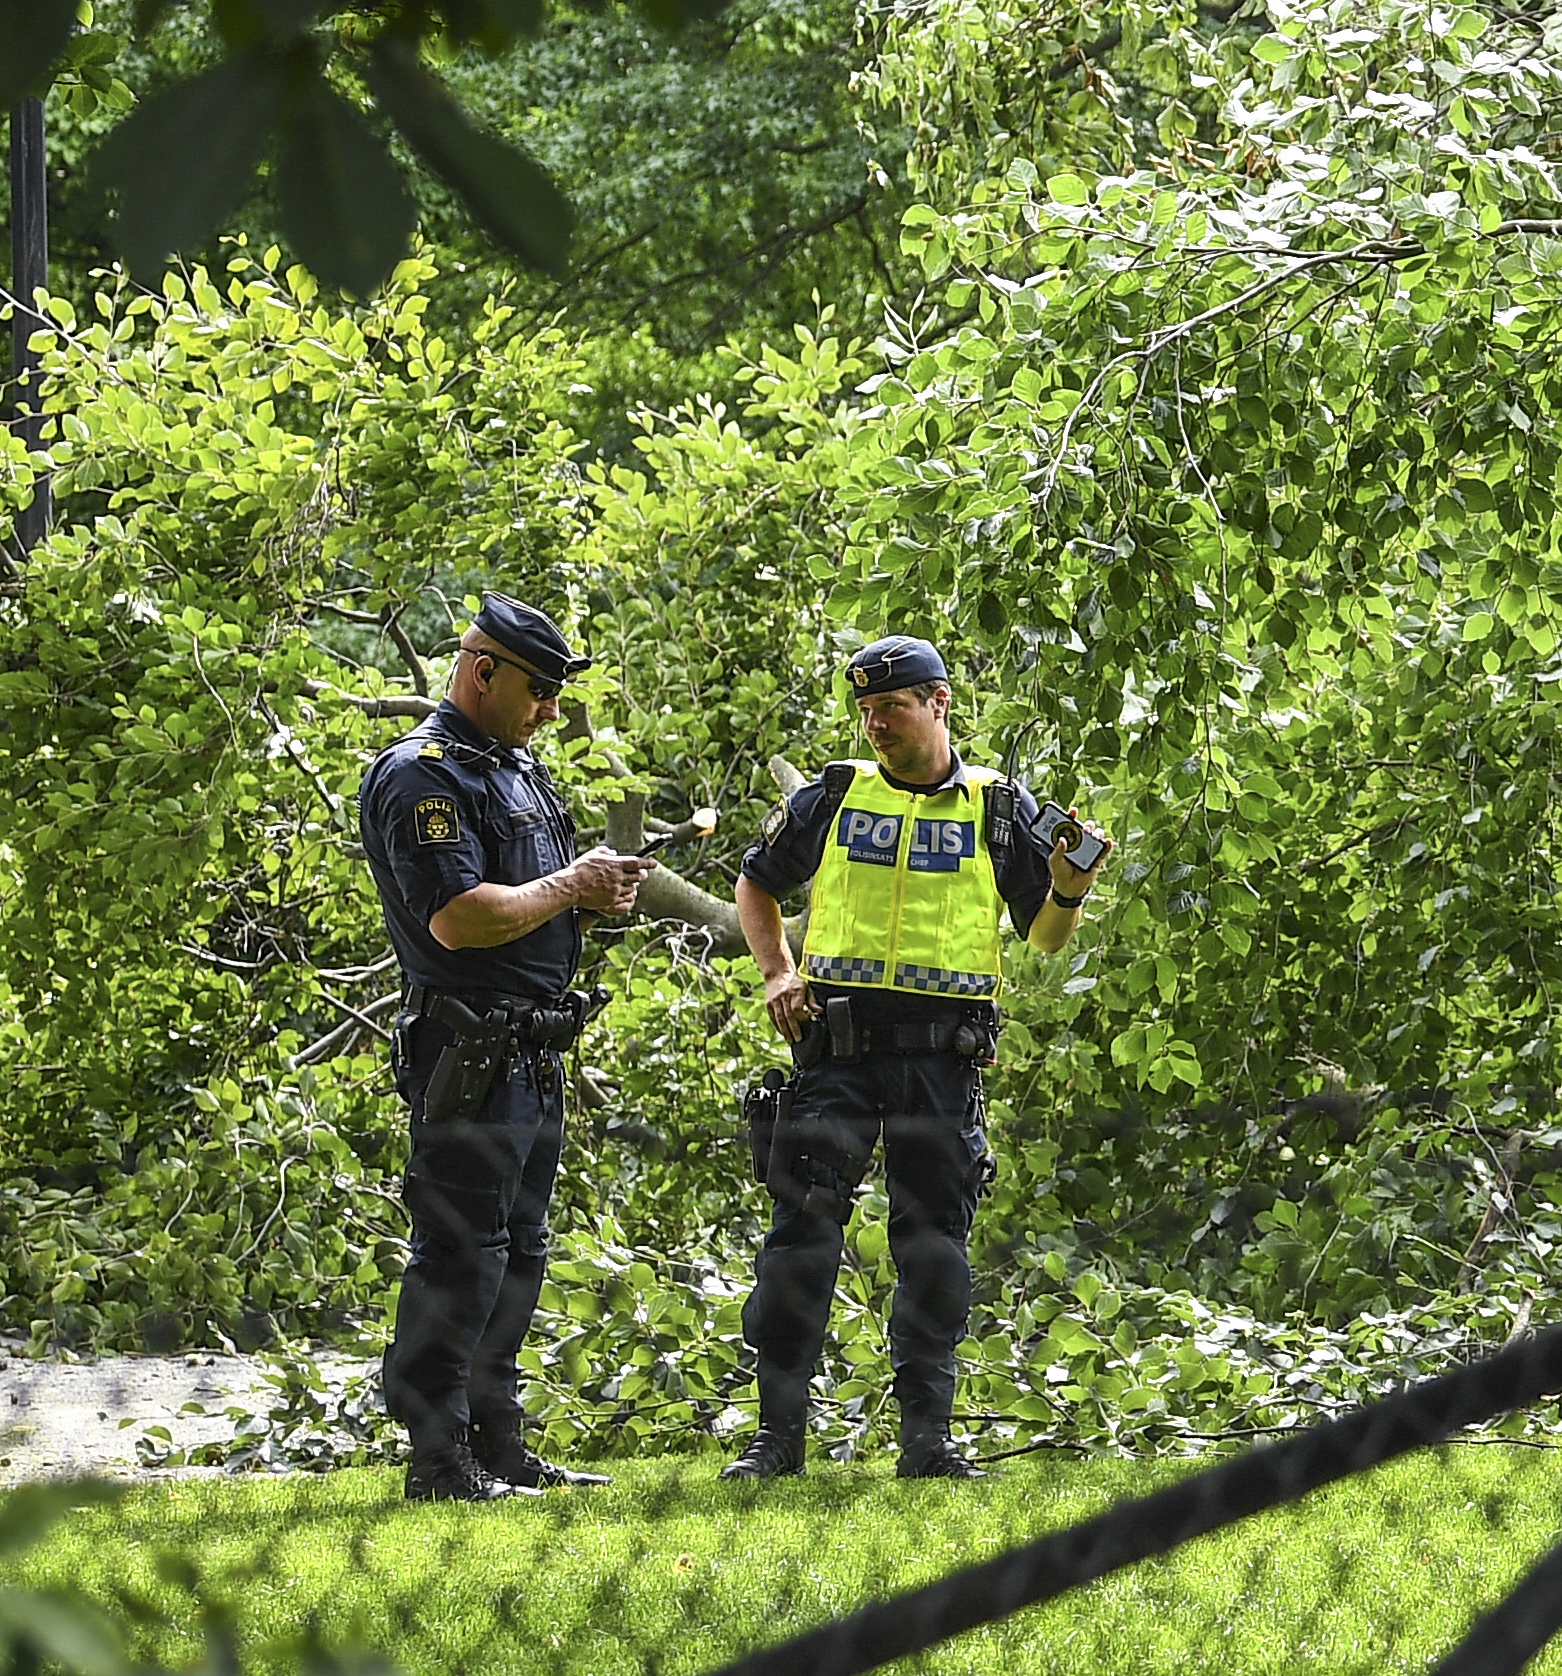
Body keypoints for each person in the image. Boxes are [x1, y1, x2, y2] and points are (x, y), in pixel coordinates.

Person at [724, 634, 1095, 1479]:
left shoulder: (998, 809)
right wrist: (778, 972)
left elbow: (1043, 935)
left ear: (939, 703)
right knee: (799, 1242)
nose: (876, 726)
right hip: (833, 1052)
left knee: (933, 1250)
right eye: (865, 712)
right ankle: (777, 1440)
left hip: (942, 1060)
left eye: (891, 708)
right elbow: (757, 883)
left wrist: (1069, 887)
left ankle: (927, 1441)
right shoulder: (833, 796)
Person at [355, 594, 649, 1502]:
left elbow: (534, 903)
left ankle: (499, 1444)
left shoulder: (513, 770)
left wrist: (595, 897)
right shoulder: (425, 775)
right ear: (482, 670)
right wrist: (573, 884)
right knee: (462, 1253)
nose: (553, 707)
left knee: (518, 1251)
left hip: (532, 1054)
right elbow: (457, 918)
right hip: (469, 1054)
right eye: (540, 687)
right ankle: (437, 1459)